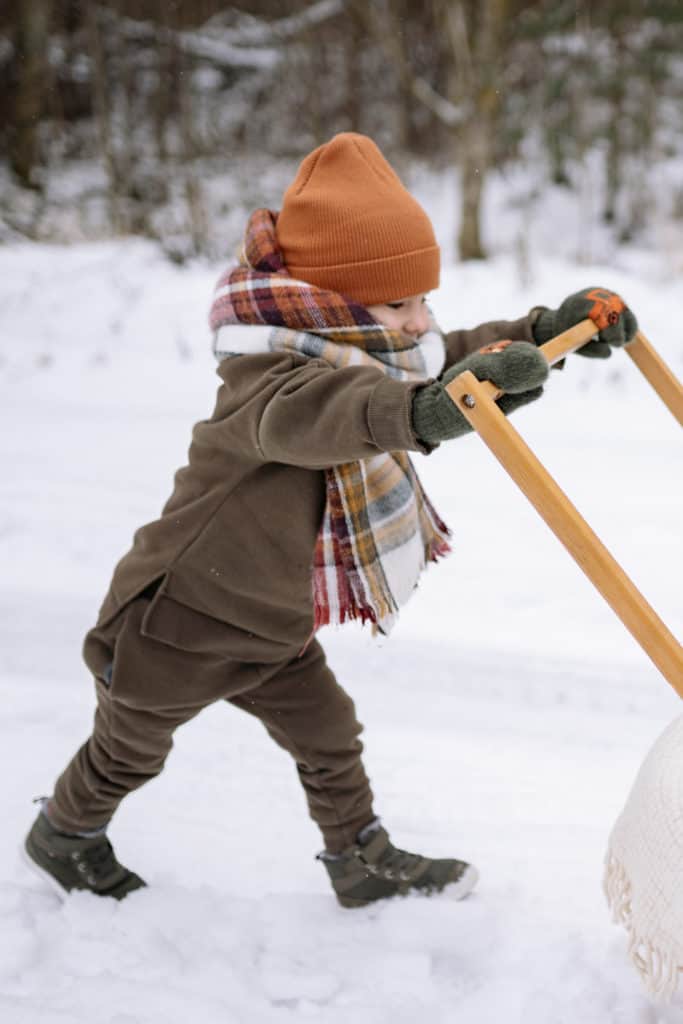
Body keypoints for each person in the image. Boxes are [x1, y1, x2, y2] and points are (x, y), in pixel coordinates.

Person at [23, 133, 638, 906]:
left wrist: (547, 333)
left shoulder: (374, 349)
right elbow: (322, 416)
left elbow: (446, 357)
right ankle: (66, 835)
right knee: (128, 752)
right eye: (398, 304)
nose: (418, 323)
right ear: (334, 303)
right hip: (178, 620)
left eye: (422, 300)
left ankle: (358, 858)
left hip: (274, 625)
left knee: (329, 736)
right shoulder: (266, 376)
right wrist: (423, 410)